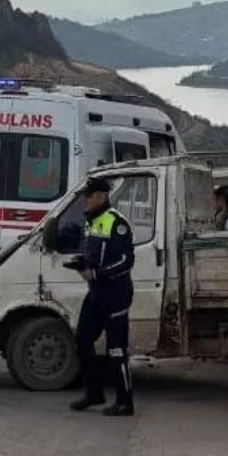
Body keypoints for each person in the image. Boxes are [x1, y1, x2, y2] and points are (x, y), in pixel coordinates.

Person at [68, 177, 136, 417]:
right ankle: (94, 393)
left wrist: (96, 273)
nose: (85, 200)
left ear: (101, 196)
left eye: (88, 196)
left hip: (115, 293)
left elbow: (126, 261)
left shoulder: (117, 222)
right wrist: (80, 263)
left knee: (116, 350)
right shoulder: (91, 221)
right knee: (82, 339)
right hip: (96, 292)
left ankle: (125, 402)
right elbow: (93, 254)